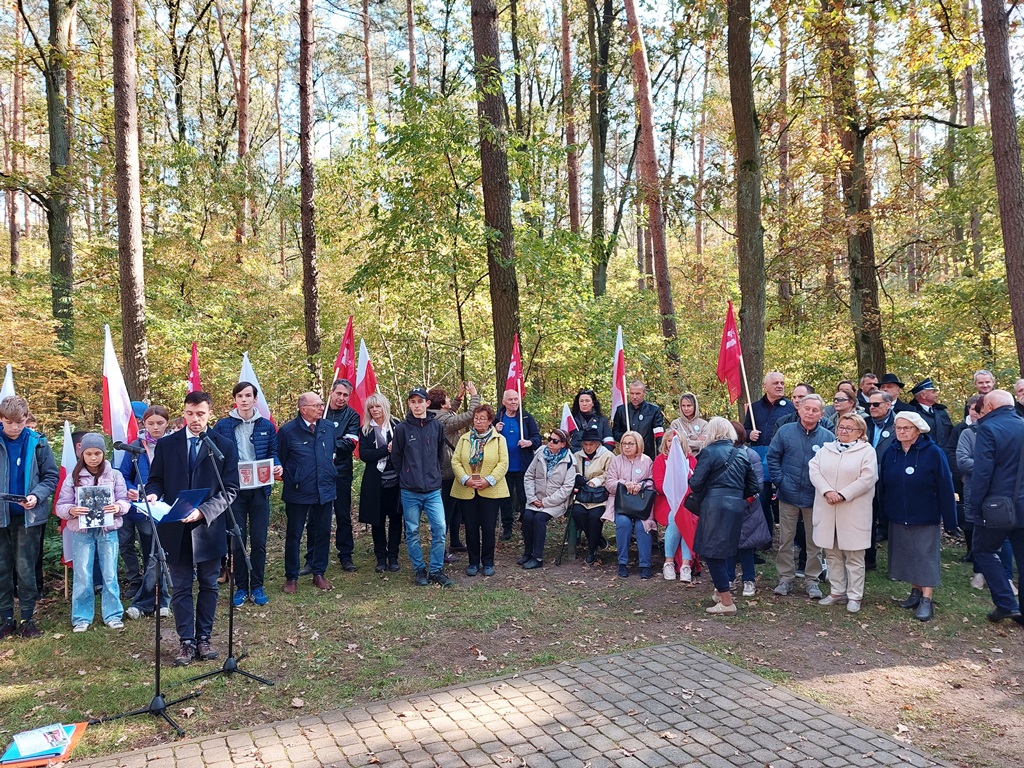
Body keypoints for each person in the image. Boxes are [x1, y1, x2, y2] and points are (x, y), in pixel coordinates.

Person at [146, 391, 239, 666]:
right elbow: (155, 479)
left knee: (209, 584)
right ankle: (186, 640)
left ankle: (204, 637)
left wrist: (203, 511)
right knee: (182, 586)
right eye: (189, 413)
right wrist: (153, 494)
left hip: (208, 526)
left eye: (200, 414)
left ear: (210, 414)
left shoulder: (222, 446)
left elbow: (230, 489)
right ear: (183, 413)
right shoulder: (167, 444)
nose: (195, 419)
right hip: (175, 526)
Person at [879, 411, 956, 622]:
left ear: (918, 429)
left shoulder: (933, 452)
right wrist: (883, 514)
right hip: (897, 513)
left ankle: (927, 599)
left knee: (924, 557)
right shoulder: (891, 451)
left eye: (906, 428)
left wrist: (951, 521)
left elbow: (945, 486)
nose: (901, 432)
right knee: (905, 554)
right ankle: (915, 592)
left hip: (925, 514)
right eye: (898, 428)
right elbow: (883, 484)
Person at [212, 382, 280, 607]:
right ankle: (241, 587)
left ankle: (257, 586)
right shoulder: (222, 425)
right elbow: (216, 455)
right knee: (237, 540)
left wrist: (277, 466)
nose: (244, 399)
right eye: (240, 396)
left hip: (260, 490)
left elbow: (273, 452)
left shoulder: (266, 425)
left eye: (248, 395)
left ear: (254, 399)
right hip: (235, 492)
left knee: (259, 541)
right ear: (235, 399)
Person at [55, 433, 130, 631]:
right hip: (82, 532)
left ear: (104, 453)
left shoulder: (114, 475)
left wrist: (118, 507)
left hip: (108, 532)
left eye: (98, 453)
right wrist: (72, 510)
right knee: (82, 574)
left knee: (110, 573)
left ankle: (113, 614)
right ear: (82, 454)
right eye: (89, 453)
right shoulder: (73, 477)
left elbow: (124, 500)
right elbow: (61, 505)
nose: (93, 457)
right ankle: (81, 617)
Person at [0, 396, 59, 639]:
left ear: (26, 418)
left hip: (28, 517)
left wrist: (36, 495)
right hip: (1, 517)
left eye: (20, 422)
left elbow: (51, 476)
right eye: (9, 422)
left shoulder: (38, 443)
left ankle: (27, 619)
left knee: (26, 570)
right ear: (1, 419)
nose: (14, 427)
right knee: (2, 568)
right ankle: (5, 619)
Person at [688, 418, 760, 616]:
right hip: (735, 506)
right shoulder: (742, 453)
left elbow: (695, 483)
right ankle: (720, 593)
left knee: (712, 553)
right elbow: (753, 487)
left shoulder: (708, 452)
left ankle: (727, 602)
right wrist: (734, 495)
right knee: (724, 550)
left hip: (714, 506)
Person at [808, 414, 877, 614]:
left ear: (860, 432)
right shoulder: (826, 449)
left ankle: (855, 595)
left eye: (849, 428)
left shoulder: (866, 451)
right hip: (828, 508)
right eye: (841, 427)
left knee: (854, 556)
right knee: (832, 554)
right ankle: (837, 591)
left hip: (852, 509)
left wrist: (843, 494)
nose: (844, 431)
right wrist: (827, 491)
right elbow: (814, 471)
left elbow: (868, 478)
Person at [768, 394, 835, 598]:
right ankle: (785, 579)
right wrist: (780, 481)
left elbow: (832, 466)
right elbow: (773, 456)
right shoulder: (785, 431)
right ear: (799, 409)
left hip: (815, 498)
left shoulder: (827, 437)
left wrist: (823, 488)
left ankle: (812, 581)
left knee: (814, 542)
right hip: (788, 495)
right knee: (786, 540)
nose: (810, 413)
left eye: (815, 410)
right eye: (807, 408)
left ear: (821, 414)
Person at [969, 390, 1024, 625]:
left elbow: (982, 472)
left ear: (990, 407)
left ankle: (1006, 603)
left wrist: (975, 505)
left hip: (996, 506)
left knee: (983, 551)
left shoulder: (989, 429)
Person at [392, 387, 455, 587]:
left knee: (440, 528)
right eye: (413, 402)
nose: (417, 405)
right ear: (409, 404)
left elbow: (439, 453)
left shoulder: (436, 426)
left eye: (420, 401)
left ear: (427, 403)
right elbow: (396, 458)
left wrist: (434, 474)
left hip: (433, 490)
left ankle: (436, 570)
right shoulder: (402, 429)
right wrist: (407, 475)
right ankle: (419, 569)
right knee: (412, 531)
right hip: (410, 490)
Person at [278, 392, 337, 594]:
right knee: (294, 534)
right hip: (298, 491)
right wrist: (294, 477)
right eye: (317, 405)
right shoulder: (288, 431)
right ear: (303, 409)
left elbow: (332, 453)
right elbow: (281, 459)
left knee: (323, 532)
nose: (321, 408)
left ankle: (319, 572)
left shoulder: (328, 427)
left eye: (321, 404)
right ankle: (291, 577)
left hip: (325, 489)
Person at [119, 405, 172, 619]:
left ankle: (149, 602)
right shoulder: (135, 446)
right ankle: (160, 600)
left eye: (160, 423)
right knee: (152, 554)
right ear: (144, 424)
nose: (155, 427)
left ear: (167, 423)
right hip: (143, 509)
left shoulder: (174, 444)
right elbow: (123, 475)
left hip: (167, 507)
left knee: (158, 553)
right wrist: (131, 489)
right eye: (151, 423)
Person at [956, 397, 1014, 592]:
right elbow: (962, 460)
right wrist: (988, 467)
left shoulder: (998, 431)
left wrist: (989, 468)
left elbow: (1002, 463)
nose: (977, 414)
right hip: (978, 490)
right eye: (973, 410)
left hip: (1000, 495)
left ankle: (1007, 580)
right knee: (979, 536)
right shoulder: (968, 433)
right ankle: (980, 574)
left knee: (1001, 538)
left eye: (979, 410)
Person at [451, 404, 509, 576]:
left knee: (489, 528)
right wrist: (465, 479)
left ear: (490, 421)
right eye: (476, 418)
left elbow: (503, 463)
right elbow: (455, 461)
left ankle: (488, 562)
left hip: (490, 490)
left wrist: (488, 480)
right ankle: (473, 562)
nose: (478, 421)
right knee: (471, 527)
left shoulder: (499, 440)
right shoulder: (464, 439)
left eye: (482, 418)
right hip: (467, 489)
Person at [428, 382, 480, 561]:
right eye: (448, 399)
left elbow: (451, 413)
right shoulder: (443, 421)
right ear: (442, 404)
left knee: (455, 509)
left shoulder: (435, 415)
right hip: (446, 473)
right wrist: (474, 395)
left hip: (448, 471)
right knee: (445, 512)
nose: (450, 400)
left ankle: (455, 542)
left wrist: (458, 398)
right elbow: (469, 415)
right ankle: (441, 550)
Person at [744, 371, 795, 536]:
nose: (780, 386)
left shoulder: (791, 408)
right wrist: (749, 434)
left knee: (786, 501)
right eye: (775, 383)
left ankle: (793, 539)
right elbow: (744, 429)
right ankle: (766, 536)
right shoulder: (754, 408)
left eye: (782, 383)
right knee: (762, 498)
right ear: (765, 386)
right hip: (759, 456)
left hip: (783, 457)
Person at [358, 393, 403, 574]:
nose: (375, 410)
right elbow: (365, 455)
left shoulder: (397, 426)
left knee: (396, 519)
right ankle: (381, 558)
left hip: (396, 481)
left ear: (384, 406)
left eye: (377, 406)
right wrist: (386, 449)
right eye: (371, 407)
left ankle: (393, 556)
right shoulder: (366, 430)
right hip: (375, 482)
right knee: (377, 521)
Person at [520, 428, 576, 570]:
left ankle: (538, 557)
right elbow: (529, 476)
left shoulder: (569, 461)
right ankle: (528, 552)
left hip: (555, 503)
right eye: (549, 439)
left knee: (539, 518)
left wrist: (545, 502)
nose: (550, 442)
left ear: (563, 444)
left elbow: (567, 488)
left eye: (555, 441)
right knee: (527, 516)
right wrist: (532, 498)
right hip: (536, 499)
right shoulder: (540, 453)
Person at [603, 430, 656, 579]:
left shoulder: (647, 460)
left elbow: (652, 483)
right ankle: (622, 563)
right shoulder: (616, 460)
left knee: (642, 526)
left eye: (630, 444)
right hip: (622, 504)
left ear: (638, 444)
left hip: (642, 504)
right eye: (624, 443)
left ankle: (645, 565)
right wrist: (624, 484)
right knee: (623, 524)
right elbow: (609, 483)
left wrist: (640, 485)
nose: (626, 447)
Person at [727, 421, 771, 597]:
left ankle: (749, 580)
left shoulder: (750, 454)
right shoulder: (720, 453)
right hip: (726, 508)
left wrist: (742, 502)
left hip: (747, 508)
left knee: (746, 545)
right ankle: (729, 578)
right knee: (728, 545)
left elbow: (757, 484)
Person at [322, 379, 360, 572]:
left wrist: (325, 445)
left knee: (343, 514)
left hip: (341, 472)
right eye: (339, 393)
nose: (341, 398)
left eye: (345, 395)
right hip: (319, 473)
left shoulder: (352, 416)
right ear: (331, 392)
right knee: (317, 516)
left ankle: (345, 555)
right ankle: (313, 557)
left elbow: (350, 443)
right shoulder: (319, 411)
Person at [493, 389, 541, 540]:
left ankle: (526, 526)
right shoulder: (497, 419)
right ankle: (507, 528)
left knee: (524, 498)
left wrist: (529, 442)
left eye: (516, 399)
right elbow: (486, 440)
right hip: (503, 467)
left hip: (523, 466)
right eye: (510, 399)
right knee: (505, 499)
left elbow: (537, 438)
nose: (514, 402)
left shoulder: (526, 418)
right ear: (504, 402)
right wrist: (494, 430)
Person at [652, 430, 696, 581]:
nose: (672, 443)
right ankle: (669, 562)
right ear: (665, 443)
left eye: (675, 440)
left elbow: (696, 483)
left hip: (687, 502)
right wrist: (674, 486)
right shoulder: (660, 460)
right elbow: (659, 486)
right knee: (676, 519)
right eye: (669, 440)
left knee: (686, 518)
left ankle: (685, 565)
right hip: (666, 502)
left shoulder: (690, 460)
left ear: (682, 442)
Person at [570, 426, 614, 564]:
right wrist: (577, 476)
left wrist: (596, 481)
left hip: (600, 495)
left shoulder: (608, 455)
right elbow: (571, 472)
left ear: (598, 444)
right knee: (578, 513)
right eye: (585, 444)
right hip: (582, 495)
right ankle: (595, 539)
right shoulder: (577, 456)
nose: (588, 447)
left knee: (595, 516)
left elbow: (610, 474)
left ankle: (592, 550)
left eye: (591, 444)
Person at [865, 389, 898, 563]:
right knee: (867, 519)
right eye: (870, 404)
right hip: (866, 480)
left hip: (890, 480)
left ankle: (896, 563)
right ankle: (868, 559)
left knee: (891, 521)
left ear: (888, 404)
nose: (872, 407)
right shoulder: (864, 423)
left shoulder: (899, 424)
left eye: (876, 404)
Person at [612, 381, 665, 460]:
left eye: (638, 394)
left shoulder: (653, 410)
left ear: (644, 393)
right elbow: (615, 431)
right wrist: (627, 439)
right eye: (632, 393)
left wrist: (660, 456)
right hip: (627, 455)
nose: (634, 397)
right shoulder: (622, 410)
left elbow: (659, 436)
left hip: (647, 455)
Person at [907, 378, 954, 453]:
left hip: (944, 455)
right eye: (933, 392)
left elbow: (951, 435)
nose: (936, 395)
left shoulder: (941, 412)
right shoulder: (912, 413)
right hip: (922, 455)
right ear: (923, 395)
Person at [568, 389, 614, 453]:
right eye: (581, 401)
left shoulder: (602, 421)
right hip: (575, 456)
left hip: (599, 456)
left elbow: (609, 442)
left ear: (593, 403)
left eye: (587, 401)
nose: (584, 404)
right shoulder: (571, 420)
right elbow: (564, 443)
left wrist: (599, 454)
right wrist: (582, 454)